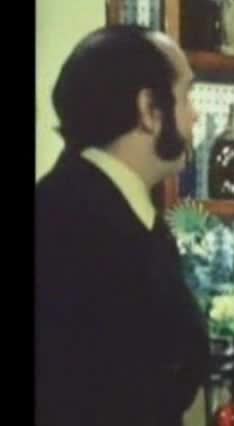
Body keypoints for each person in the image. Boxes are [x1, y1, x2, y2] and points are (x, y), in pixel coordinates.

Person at [36, 25, 209, 426]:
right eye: (186, 95)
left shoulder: (89, 202)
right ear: (150, 110)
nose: (195, 114)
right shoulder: (72, 226)